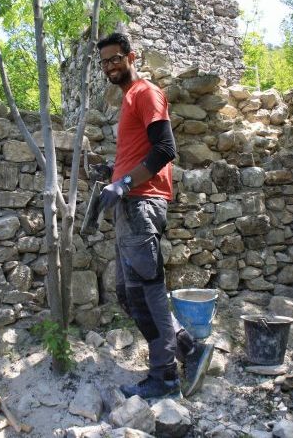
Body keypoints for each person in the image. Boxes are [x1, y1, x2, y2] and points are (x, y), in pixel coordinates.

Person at [96, 32, 214, 399]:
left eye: (116, 59)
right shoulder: (128, 99)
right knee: (129, 296)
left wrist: (125, 182)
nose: (110, 66)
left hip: (142, 203)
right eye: (104, 62)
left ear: (131, 57)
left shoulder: (146, 93)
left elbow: (165, 149)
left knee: (148, 292)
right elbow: (139, 152)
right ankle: (189, 350)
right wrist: (113, 174)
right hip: (129, 204)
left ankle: (163, 377)